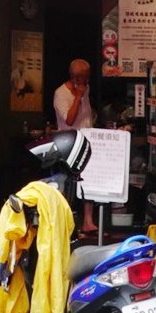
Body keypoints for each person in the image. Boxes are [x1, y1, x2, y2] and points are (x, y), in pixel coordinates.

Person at [52, 59, 97, 233]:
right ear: (72, 76)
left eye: (87, 76)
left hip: (88, 141)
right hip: (69, 145)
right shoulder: (61, 93)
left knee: (89, 181)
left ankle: (88, 221)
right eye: (81, 76)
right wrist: (77, 96)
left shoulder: (86, 89)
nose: (85, 80)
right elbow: (69, 120)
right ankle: (66, 222)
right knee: (69, 183)